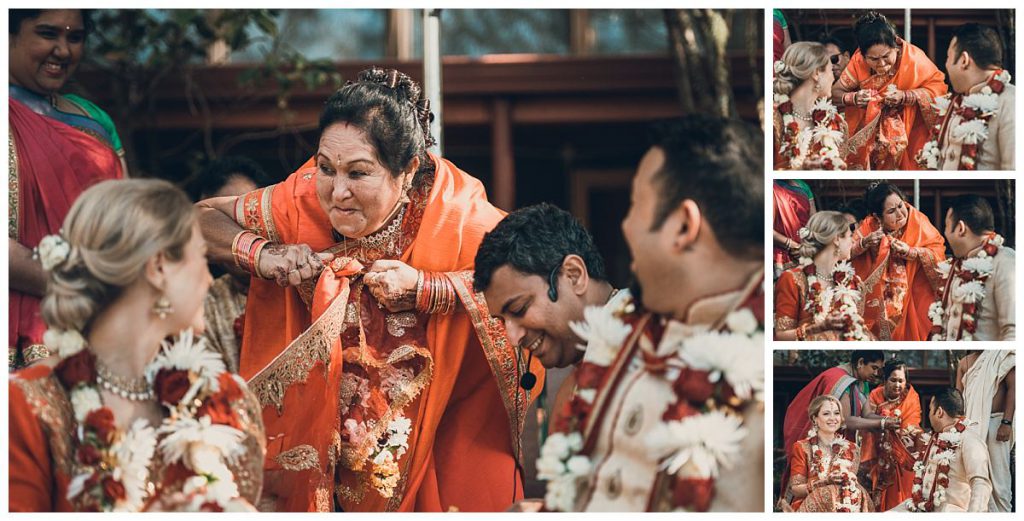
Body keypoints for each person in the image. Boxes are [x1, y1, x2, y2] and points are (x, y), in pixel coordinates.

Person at [197, 67, 542, 512]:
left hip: (434, 440)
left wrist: (426, 288)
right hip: (324, 455)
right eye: (326, 168)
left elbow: (533, 279)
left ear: (407, 171)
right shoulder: (301, 197)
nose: (336, 192)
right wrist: (266, 255)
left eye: (358, 173)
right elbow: (196, 218)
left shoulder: (455, 210)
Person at [537, 115, 764, 512]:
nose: (625, 226)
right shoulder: (625, 327)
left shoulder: (762, 371)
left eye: (636, 206)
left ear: (683, 226)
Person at [9, 179, 265, 511]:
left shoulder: (222, 400)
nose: (208, 278)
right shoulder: (30, 407)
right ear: (159, 268)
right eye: (201, 257)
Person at [9, 9, 127, 370]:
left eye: (74, 37)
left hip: (97, 324)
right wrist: (84, 287)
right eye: (47, 34)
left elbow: (130, 225)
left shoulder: (93, 122)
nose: (62, 50)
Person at [473, 203, 622, 424]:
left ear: (574, 275)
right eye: (502, 322)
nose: (513, 338)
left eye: (519, 309)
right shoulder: (569, 391)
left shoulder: (656, 346)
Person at [187, 157, 275, 372]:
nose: (237, 232)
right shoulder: (203, 306)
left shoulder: (303, 284)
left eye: (246, 214)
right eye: (219, 223)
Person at [833, 12, 947, 170]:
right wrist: (854, 98)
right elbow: (836, 92)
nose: (881, 64)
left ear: (896, 46)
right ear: (862, 54)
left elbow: (938, 89)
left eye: (886, 56)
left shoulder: (913, 58)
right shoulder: (858, 61)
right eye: (873, 59)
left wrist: (906, 96)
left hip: (912, 131)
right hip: (871, 137)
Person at [779, 350, 891, 497]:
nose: (877, 373)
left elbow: (867, 414)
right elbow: (846, 420)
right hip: (823, 444)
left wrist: (888, 421)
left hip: (841, 445)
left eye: (879, 369)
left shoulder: (861, 383)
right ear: (860, 363)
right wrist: (881, 424)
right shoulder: (839, 379)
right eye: (874, 368)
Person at [850, 183, 945, 341]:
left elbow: (937, 251)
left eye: (901, 205)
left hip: (916, 291)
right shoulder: (869, 226)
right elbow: (842, 254)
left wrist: (912, 252)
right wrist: (864, 244)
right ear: (878, 217)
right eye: (891, 211)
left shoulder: (917, 220)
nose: (900, 214)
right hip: (879, 296)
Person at [927, 24, 1014, 170]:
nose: (946, 64)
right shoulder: (952, 102)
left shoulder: (1011, 101)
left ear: (964, 60)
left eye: (948, 57)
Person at [774, 211, 869, 341]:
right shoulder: (792, 279)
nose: (853, 241)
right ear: (836, 239)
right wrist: (818, 328)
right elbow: (781, 336)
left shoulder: (851, 281)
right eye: (849, 236)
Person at [892, 388, 991, 512]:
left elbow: (980, 484)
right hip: (921, 508)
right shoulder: (934, 438)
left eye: (930, 410)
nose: (927, 415)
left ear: (939, 412)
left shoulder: (970, 440)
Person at [936, 195, 1014, 341]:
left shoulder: (1005, 261)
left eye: (946, 226)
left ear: (961, 228)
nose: (945, 233)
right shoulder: (955, 266)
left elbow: (1014, 333)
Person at [780, 395, 873, 512]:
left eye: (836, 413)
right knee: (829, 493)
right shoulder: (802, 447)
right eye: (826, 414)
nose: (833, 418)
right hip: (811, 505)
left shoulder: (852, 448)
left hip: (845, 504)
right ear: (814, 418)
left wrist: (850, 479)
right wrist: (825, 482)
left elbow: (849, 485)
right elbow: (796, 489)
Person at [773, 42, 847, 170]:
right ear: (817, 73)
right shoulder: (773, 120)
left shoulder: (835, 123)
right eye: (830, 70)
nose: (833, 77)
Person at [859, 358, 921, 510]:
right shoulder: (874, 395)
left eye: (901, 381)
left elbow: (912, 424)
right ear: (885, 380)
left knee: (899, 504)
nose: (898, 385)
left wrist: (906, 433)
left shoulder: (911, 398)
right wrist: (884, 424)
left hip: (900, 457)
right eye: (893, 380)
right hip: (876, 454)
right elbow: (866, 421)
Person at [957, 350, 1015, 512]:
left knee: (999, 483)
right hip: (970, 428)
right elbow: (959, 397)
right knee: (973, 478)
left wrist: (1006, 423)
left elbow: (1014, 388)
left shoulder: (1002, 354)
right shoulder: (964, 363)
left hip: (996, 424)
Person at [772, 180, 816, 278]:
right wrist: (793, 245)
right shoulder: (771, 187)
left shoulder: (803, 186)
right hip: (781, 256)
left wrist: (806, 246)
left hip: (805, 252)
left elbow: (814, 223)